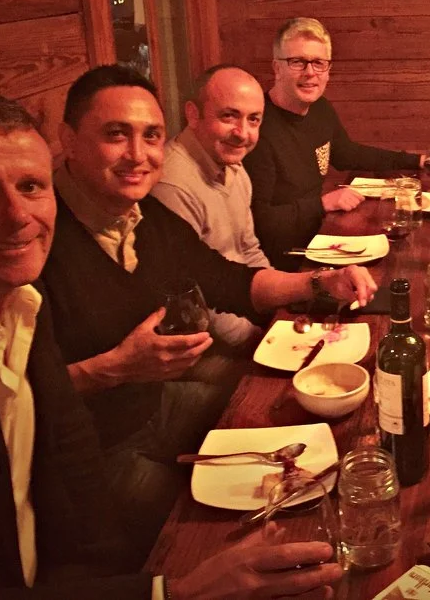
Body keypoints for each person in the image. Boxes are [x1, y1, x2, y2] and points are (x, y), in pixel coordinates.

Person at [0, 92, 342, 599]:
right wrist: (169, 592)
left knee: (296, 446)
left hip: (117, 463)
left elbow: (72, 454)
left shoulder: (19, 298)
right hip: (108, 457)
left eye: (30, 186)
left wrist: (319, 283)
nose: (16, 215)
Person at [41, 64, 376, 561]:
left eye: (150, 135)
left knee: (290, 426)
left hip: (153, 402)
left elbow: (228, 281)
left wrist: (319, 282)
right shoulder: (37, 237)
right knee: (211, 533)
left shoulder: (144, 217)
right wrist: (114, 367)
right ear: (69, 139)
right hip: (89, 450)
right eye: (115, 134)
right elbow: (7, 395)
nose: (138, 154)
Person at [243, 17, 423, 269]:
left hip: (319, 238)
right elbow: (258, 222)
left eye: (318, 63)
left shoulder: (320, 109)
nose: (310, 73)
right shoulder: (256, 129)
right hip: (285, 261)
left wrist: (417, 161)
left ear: (328, 70)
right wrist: (323, 204)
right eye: (297, 62)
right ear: (277, 68)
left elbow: (347, 153)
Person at [153, 64, 270, 349]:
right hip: (203, 348)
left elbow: (249, 250)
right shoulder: (172, 184)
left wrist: (279, 312)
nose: (242, 133)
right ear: (193, 114)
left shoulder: (234, 167)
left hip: (246, 318)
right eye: (229, 116)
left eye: (253, 120)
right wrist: (261, 339)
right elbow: (197, 301)